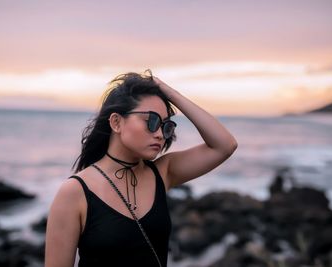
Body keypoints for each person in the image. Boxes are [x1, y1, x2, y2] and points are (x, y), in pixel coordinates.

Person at [45, 70, 238, 267]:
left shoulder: (162, 173)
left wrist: (171, 94)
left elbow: (224, 145)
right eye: (151, 121)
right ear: (116, 122)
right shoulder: (75, 192)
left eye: (166, 126)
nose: (160, 134)